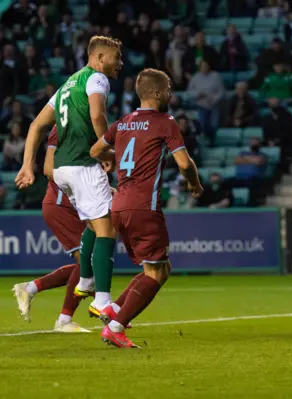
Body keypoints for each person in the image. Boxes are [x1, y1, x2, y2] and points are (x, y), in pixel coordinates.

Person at [90, 68, 204, 348]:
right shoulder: (165, 121)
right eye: (167, 90)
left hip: (120, 206)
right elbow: (185, 163)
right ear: (155, 93)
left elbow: (94, 151)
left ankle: (115, 310)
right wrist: (195, 184)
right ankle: (116, 328)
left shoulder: (123, 122)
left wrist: (112, 160)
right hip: (143, 207)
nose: (170, 94)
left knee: (158, 269)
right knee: (155, 273)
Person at [15, 35, 124, 320]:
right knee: (107, 229)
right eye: (116, 57)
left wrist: (27, 166)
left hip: (63, 169)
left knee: (93, 223)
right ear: (100, 57)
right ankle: (102, 299)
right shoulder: (97, 79)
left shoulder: (67, 84)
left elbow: (36, 125)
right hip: (82, 164)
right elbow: (98, 114)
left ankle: (85, 280)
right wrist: (107, 150)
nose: (120, 63)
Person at [12, 126, 93, 333]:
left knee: (88, 262)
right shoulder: (64, 125)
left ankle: (30, 288)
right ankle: (66, 319)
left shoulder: (84, 123)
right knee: (88, 261)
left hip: (73, 203)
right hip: (60, 203)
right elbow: (49, 170)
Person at [187, 59, 225, 144]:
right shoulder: (195, 77)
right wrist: (199, 94)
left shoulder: (216, 76)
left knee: (214, 125)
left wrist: (214, 99)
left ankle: (213, 141)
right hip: (201, 105)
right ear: (199, 67)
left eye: (206, 65)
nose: (204, 67)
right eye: (202, 66)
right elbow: (190, 92)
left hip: (214, 105)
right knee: (203, 123)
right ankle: (207, 140)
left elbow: (221, 91)